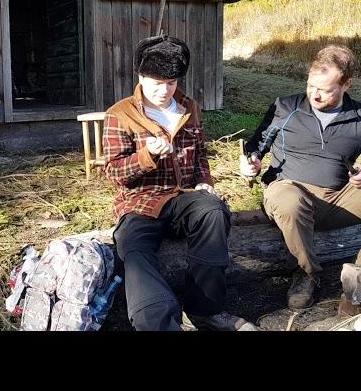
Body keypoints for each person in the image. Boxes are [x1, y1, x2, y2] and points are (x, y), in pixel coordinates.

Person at [103, 35, 256, 331]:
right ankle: (159, 323)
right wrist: (147, 156)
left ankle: (205, 311)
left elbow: (200, 156)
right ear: (141, 76)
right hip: (140, 203)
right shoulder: (120, 114)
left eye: (171, 82)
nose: (164, 90)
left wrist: (204, 182)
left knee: (214, 210)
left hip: (185, 198)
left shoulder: (189, 107)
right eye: (156, 82)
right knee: (132, 246)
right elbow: (113, 173)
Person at [240, 44, 361, 310]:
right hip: (288, 190)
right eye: (310, 86)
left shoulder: (358, 117)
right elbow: (254, 146)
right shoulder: (286, 106)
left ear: (346, 84)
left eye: (325, 89)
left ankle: (357, 283)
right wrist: (250, 162)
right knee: (290, 201)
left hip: (337, 199)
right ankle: (306, 274)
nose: (315, 95)